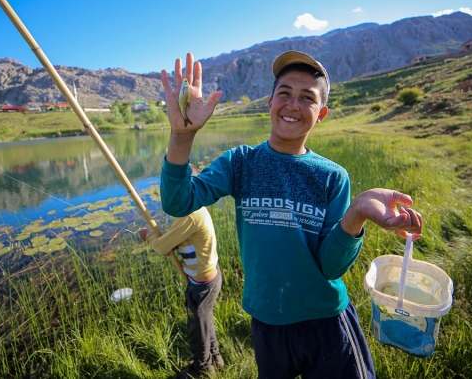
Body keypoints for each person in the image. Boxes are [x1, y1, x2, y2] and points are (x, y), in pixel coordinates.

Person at [158, 51, 423, 379]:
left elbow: (331, 267)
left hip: (325, 321)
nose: (293, 105)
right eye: (284, 93)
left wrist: (356, 214)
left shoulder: (332, 176)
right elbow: (178, 201)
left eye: (307, 98)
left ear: (321, 113)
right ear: (270, 103)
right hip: (267, 323)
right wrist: (182, 137)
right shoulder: (240, 163)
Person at [138, 201, 224, 378]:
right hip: (207, 279)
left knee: (197, 329)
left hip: (202, 286)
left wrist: (148, 236)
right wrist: (173, 243)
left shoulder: (190, 215)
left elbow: (161, 247)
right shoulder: (191, 209)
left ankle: (203, 369)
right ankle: (216, 358)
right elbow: (186, 237)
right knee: (205, 322)